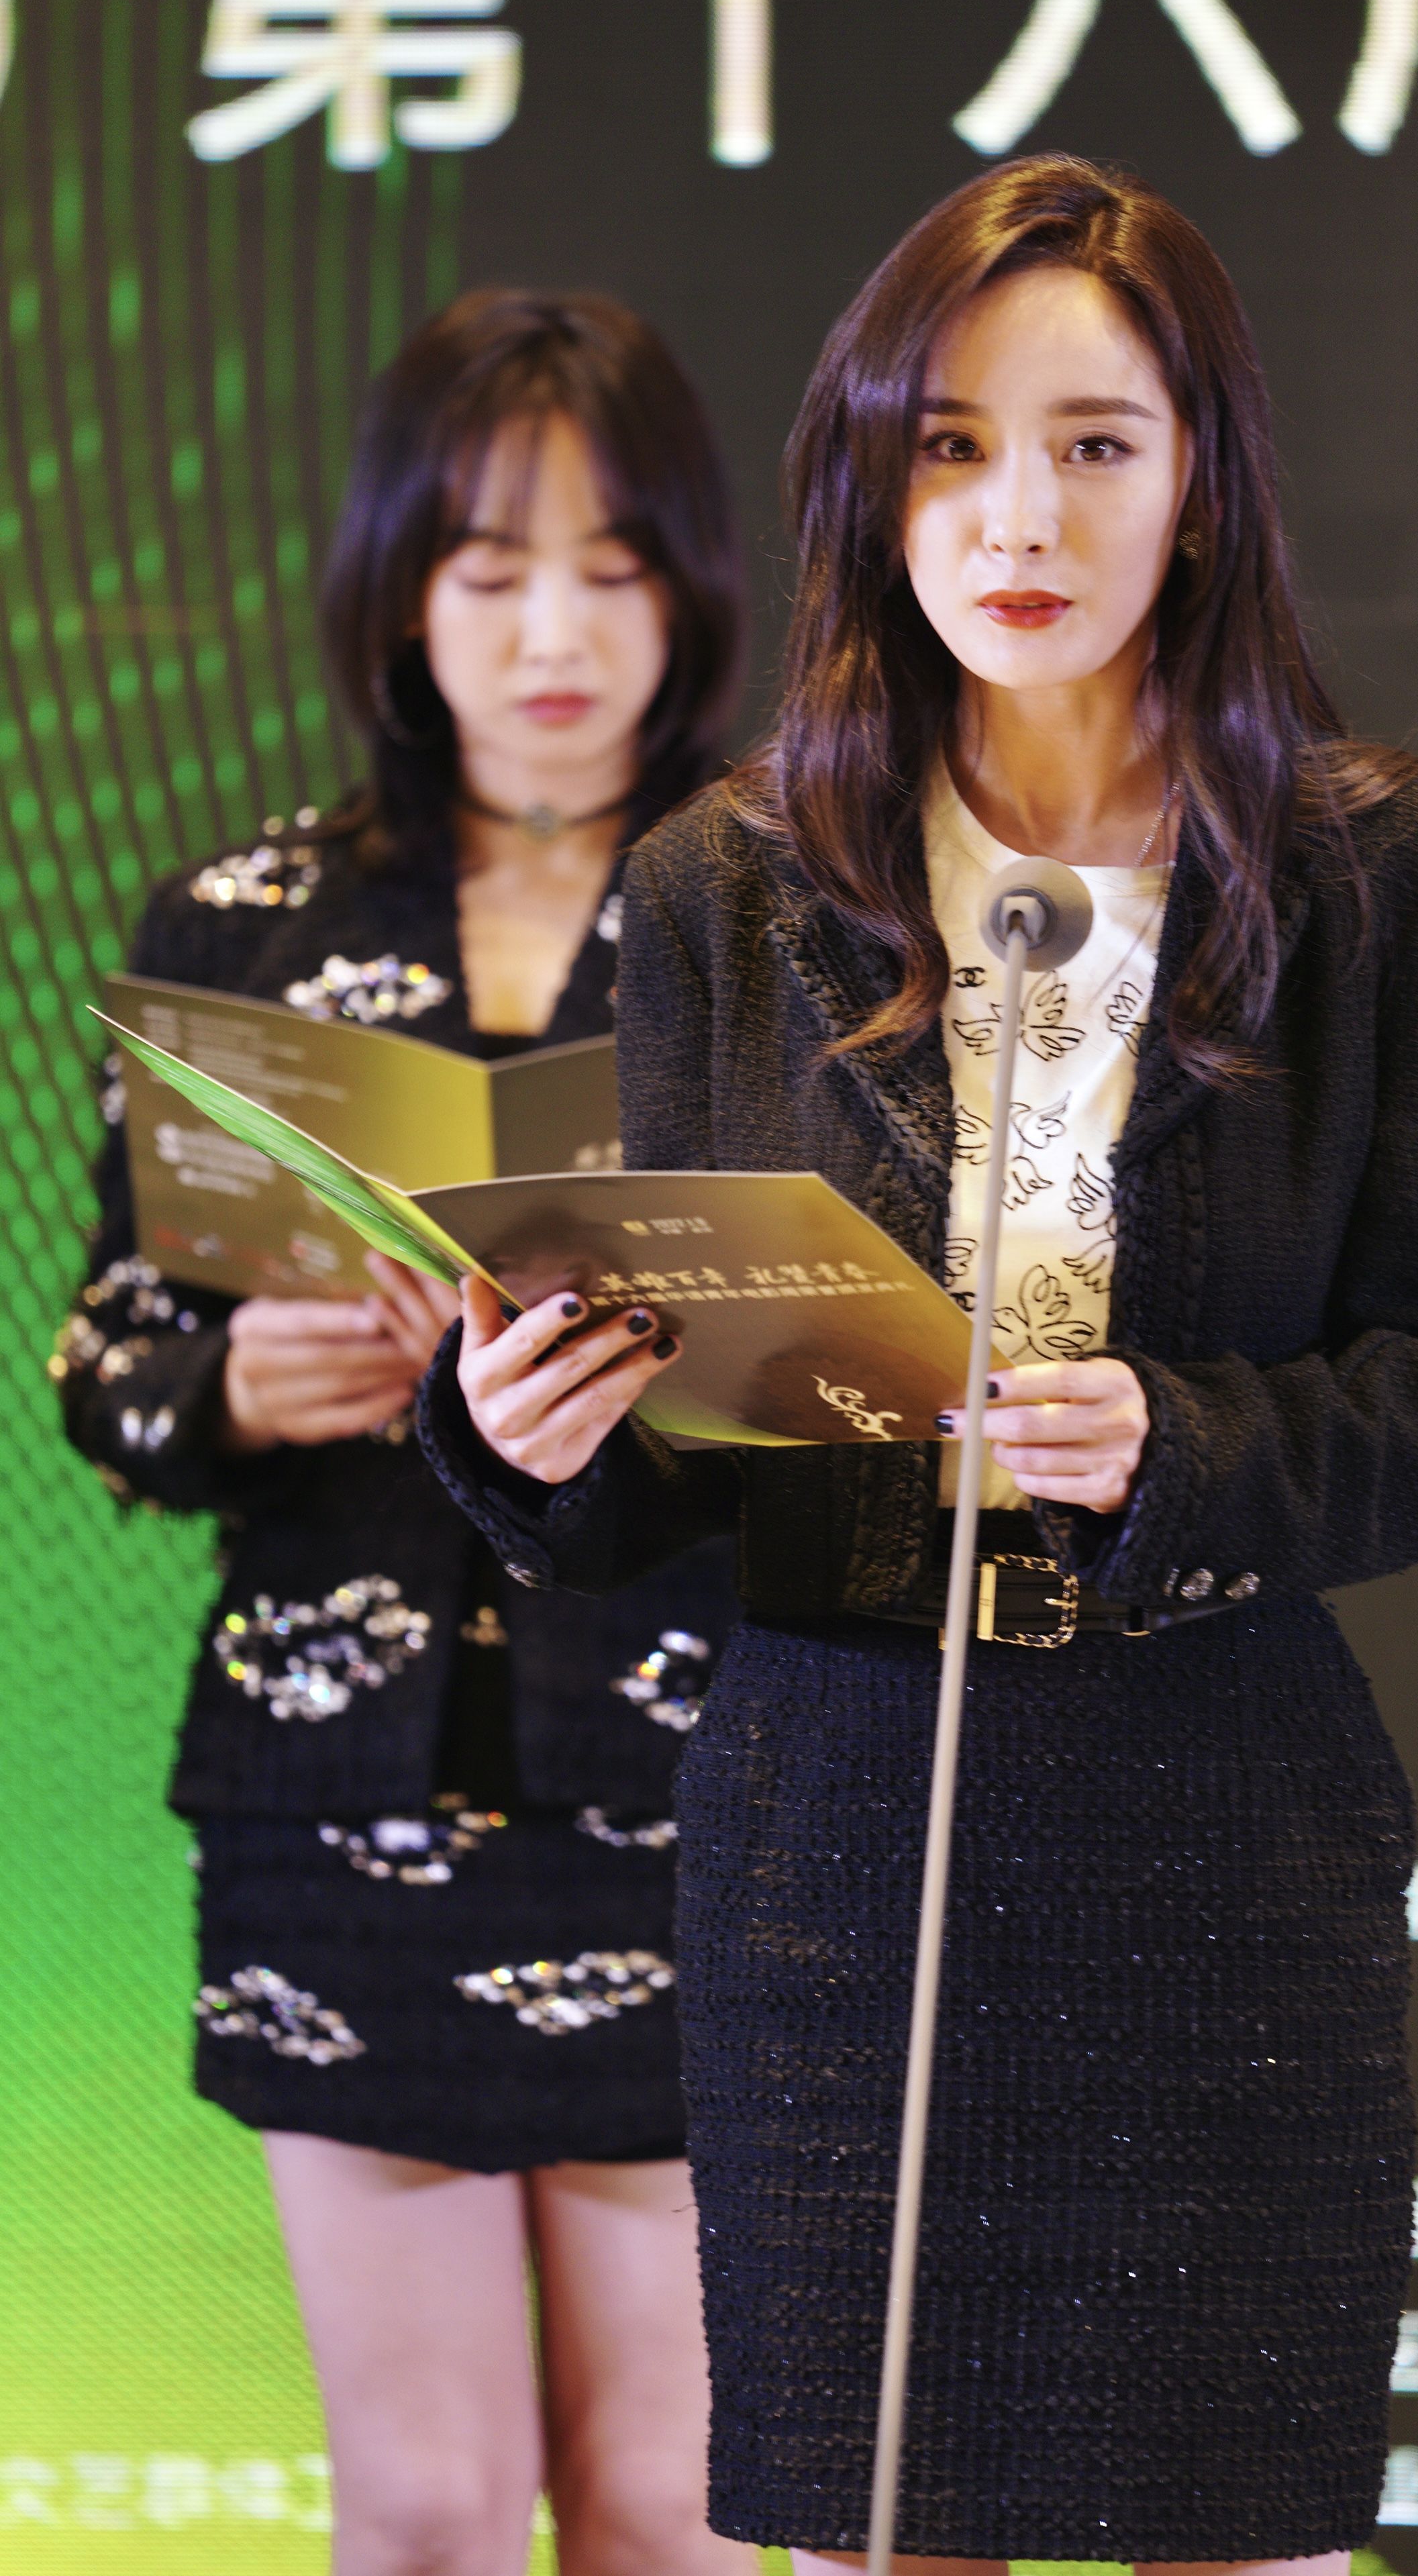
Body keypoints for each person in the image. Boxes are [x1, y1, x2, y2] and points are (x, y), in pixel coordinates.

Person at [418, 163, 1418, 2575]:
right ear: (869, 477)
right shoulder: (732, 877)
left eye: (1094, 445)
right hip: (839, 1833)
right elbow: (692, 1417)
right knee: (872, 2526)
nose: (1017, 515)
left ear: (1204, 477)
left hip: (1218, 1832)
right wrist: (529, 1434)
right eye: (948, 446)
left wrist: (1187, 1440)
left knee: (1239, 2532)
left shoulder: (1396, 876)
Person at [56, 289, 758, 2576]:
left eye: (613, 568)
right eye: (488, 568)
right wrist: (230, 1383)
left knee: (667, 2506)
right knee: (433, 2506)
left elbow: (881, 1367)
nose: (553, 635)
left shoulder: (795, 919)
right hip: (331, 1789)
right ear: (397, 589)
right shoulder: (243, 924)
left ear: (692, 588)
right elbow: (109, 1348)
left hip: (695, 1791)